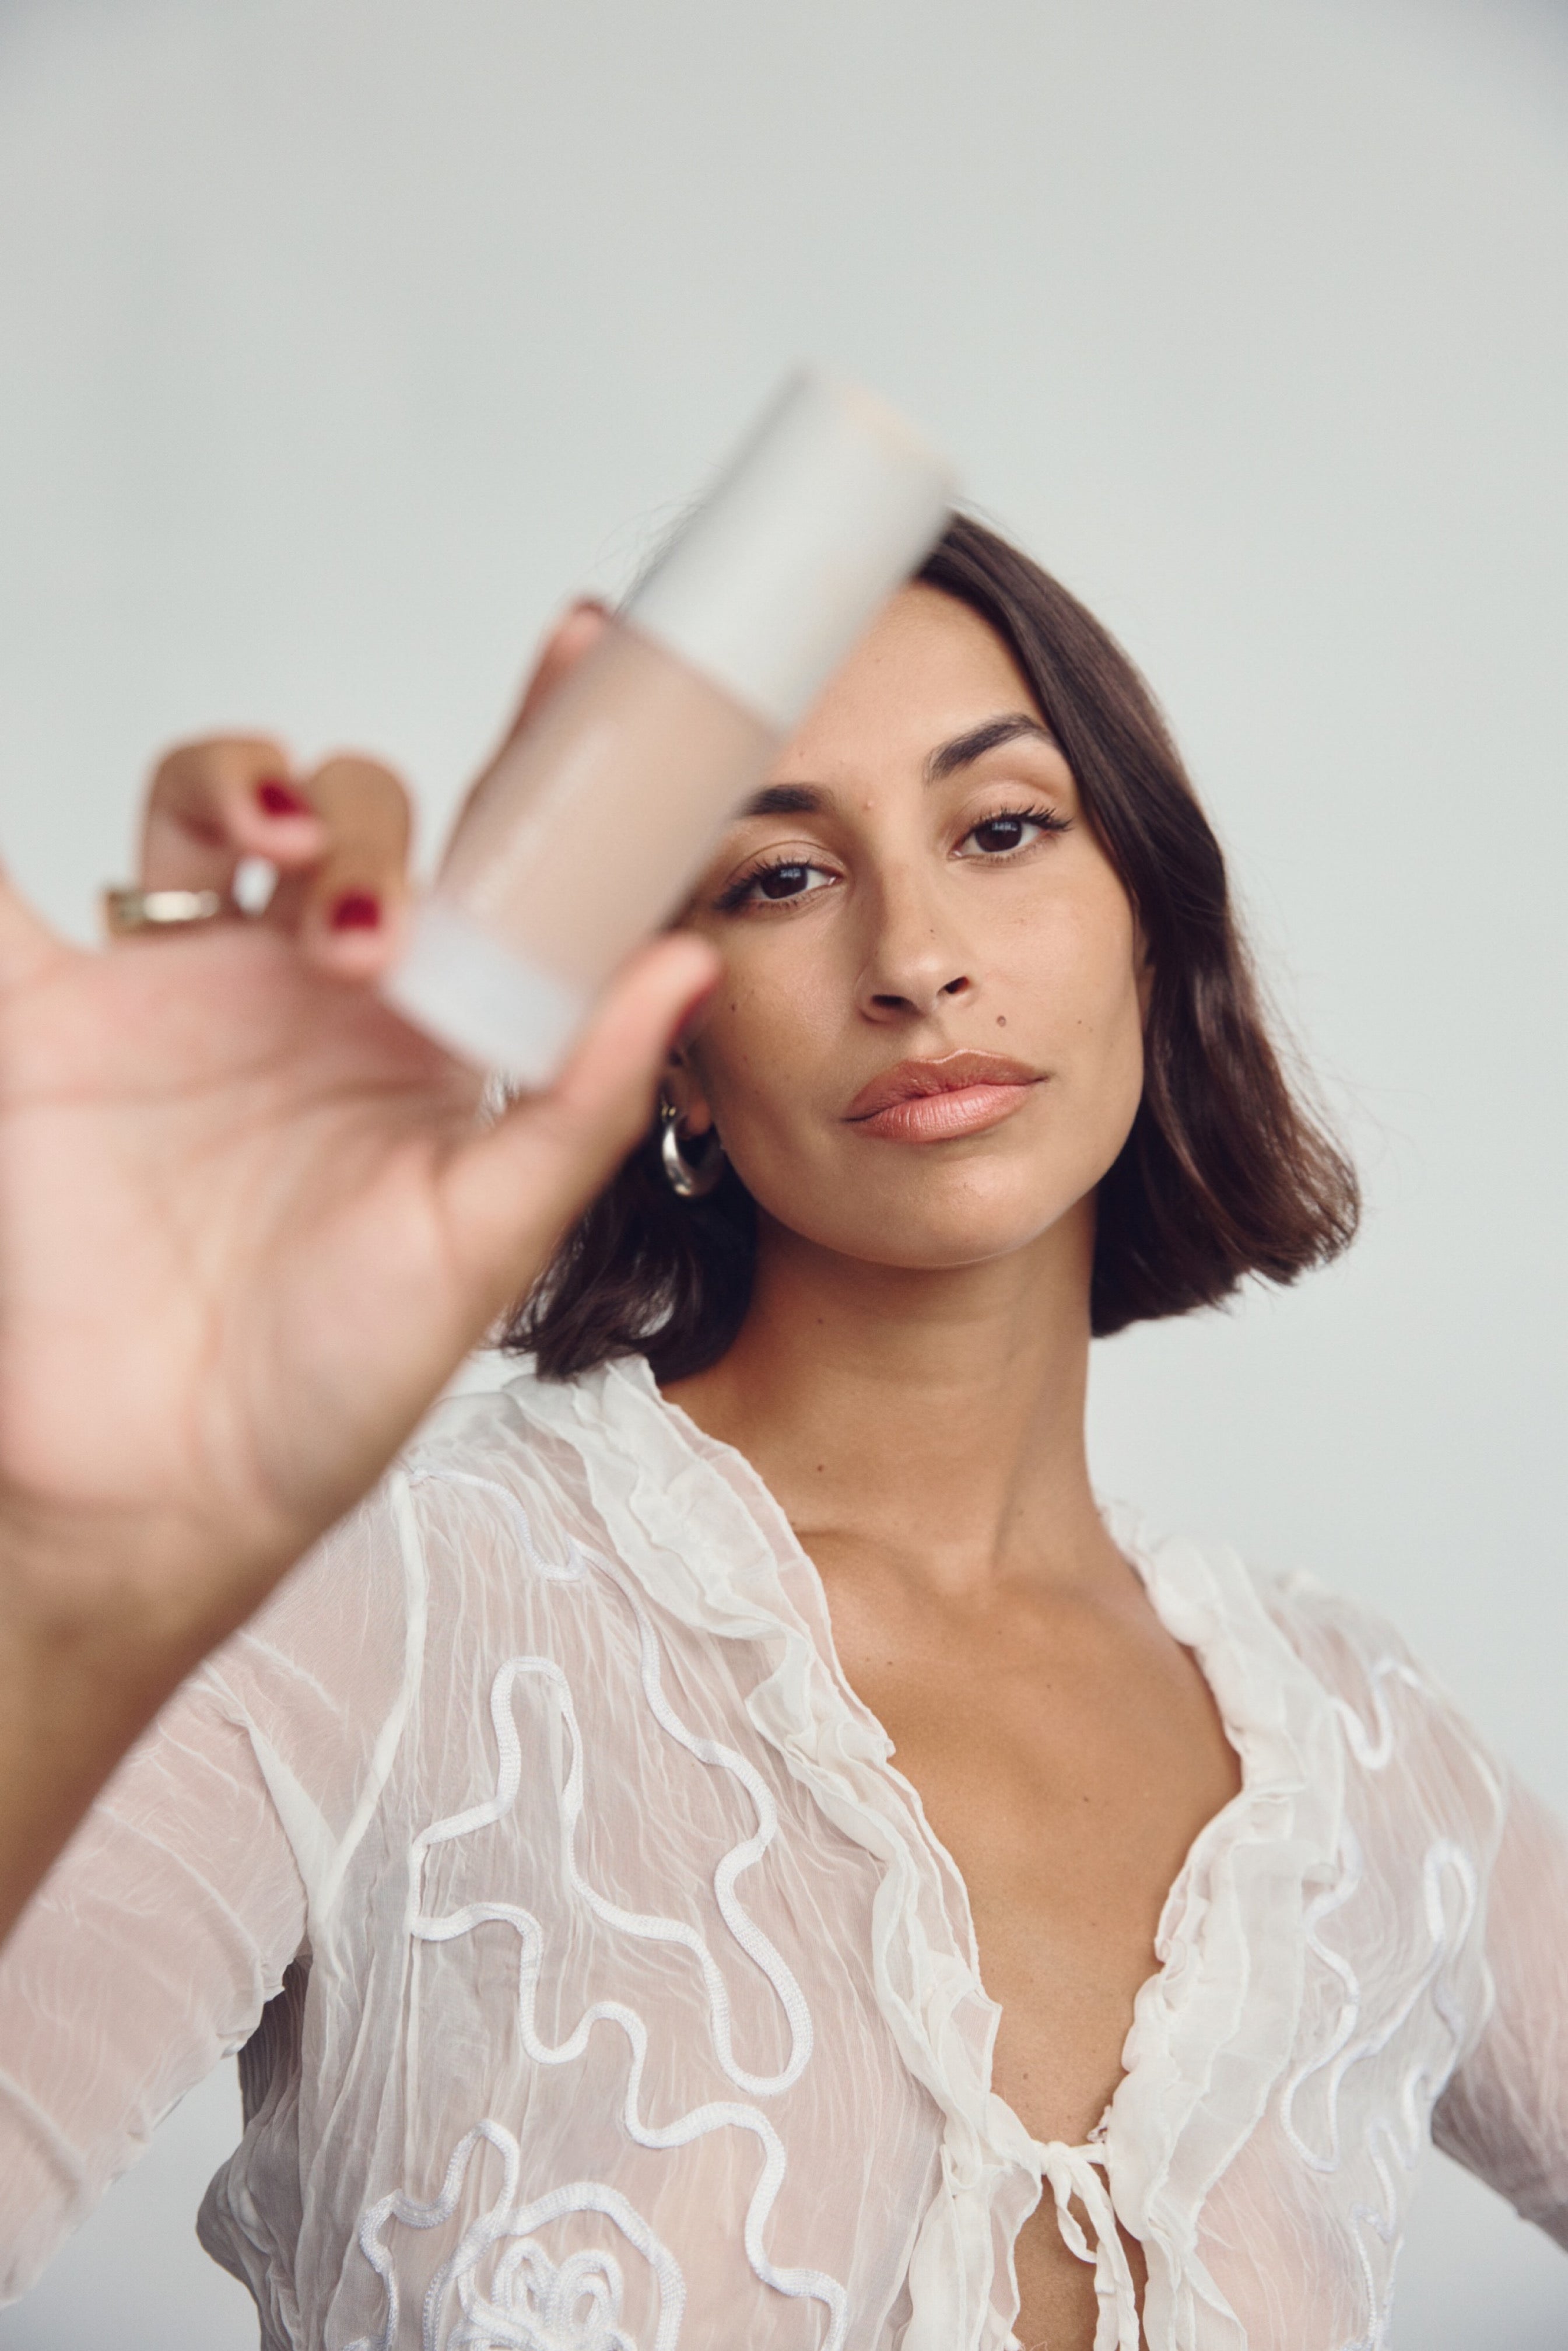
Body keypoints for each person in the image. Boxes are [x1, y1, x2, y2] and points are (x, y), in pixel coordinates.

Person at [2, 516, 1565, 2351]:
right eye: (778, 876)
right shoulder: (394, 1614)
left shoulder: (1359, 1763)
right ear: (665, 1040)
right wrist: (80, 1573)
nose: (915, 958)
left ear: (1150, 921)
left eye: (1001, 830)